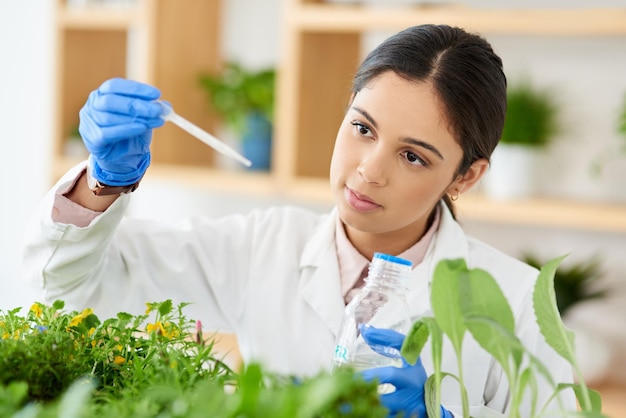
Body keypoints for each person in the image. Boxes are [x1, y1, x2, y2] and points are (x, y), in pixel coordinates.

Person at [22, 24, 575, 417]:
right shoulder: (263, 245)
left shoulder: (520, 302)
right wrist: (105, 180)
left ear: (466, 176)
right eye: (362, 128)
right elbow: (65, 291)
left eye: (412, 156)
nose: (368, 170)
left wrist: (446, 414)